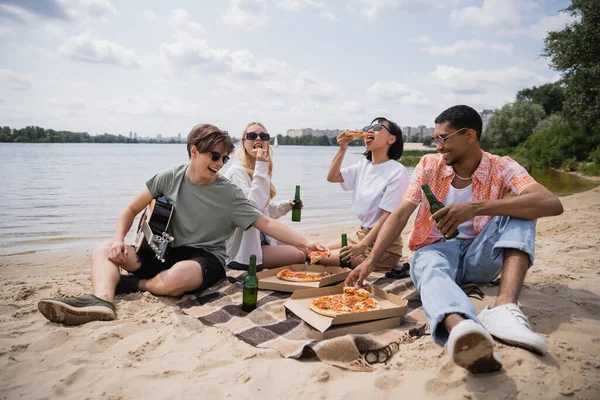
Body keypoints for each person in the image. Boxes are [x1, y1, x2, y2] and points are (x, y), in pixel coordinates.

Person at [346, 105, 564, 373]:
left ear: (469, 135)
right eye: (435, 138)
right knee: (428, 267)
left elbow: (551, 203)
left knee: (522, 208)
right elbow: (400, 214)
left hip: (481, 256)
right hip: (436, 250)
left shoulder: (502, 166)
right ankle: (462, 329)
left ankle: (504, 308)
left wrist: (477, 207)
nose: (438, 146)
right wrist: (370, 261)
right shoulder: (428, 165)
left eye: (443, 138)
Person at [38, 124, 325, 326]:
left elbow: (264, 222)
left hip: (205, 258)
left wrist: (304, 243)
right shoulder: (168, 177)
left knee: (178, 279)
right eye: (214, 156)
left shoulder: (229, 193)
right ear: (193, 151)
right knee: (103, 248)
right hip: (160, 252)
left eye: (224, 158)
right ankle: (102, 301)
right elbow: (131, 208)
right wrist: (117, 239)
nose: (220, 163)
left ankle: (132, 284)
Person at [321, 117, 409, 270]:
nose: (369, 130)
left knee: (319, 259)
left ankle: (387, 264)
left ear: (391, 139)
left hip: (382, 247)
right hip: (360, 235)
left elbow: (388, 216)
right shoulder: (363, 166)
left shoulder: (397, 171)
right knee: (319, 251)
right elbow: (332, 177)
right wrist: (342, 148)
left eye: (377, 128)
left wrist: (363, 245)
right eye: (368, 127)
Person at [224, 121, 306, 270]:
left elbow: (263, 212)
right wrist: (261, 166)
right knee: (299, 255)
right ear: (243, 142)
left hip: (261, 241)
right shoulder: (237, 172)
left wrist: (286, 205)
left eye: (263, 136)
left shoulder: (255, 169)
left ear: (267, 142)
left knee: (306, 249)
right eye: (252, 136)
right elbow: (251, 210)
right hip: (244, 250)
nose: (258, 139)